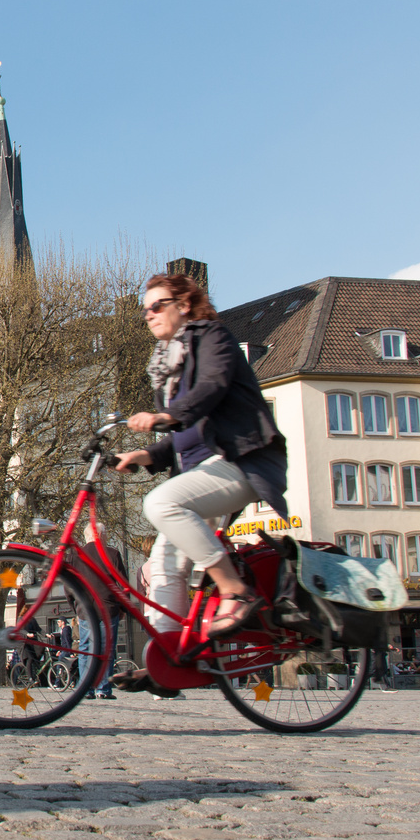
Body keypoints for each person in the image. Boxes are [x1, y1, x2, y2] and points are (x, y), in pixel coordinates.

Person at [112, 273, 288, 696]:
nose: (149, 314)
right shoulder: (169, 363)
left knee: (160, 506)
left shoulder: (212, 338)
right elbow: (189, 431)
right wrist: (150, 454)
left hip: (240, 462)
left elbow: (212, 389)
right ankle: (168, 659)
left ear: (184, 304)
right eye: (145, 309)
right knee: (163, 566)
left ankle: (234, 590)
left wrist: (162, 417)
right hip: (201, 471)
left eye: (158, 305)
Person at [80, 525, 124, 700]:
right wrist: (122, 608)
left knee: (85, 649)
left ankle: (85, 688)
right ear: (101, 535)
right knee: (106, 650)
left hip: (84, 609)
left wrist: (75, 605)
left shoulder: (75, 555)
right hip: (108, 608)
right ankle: (103, 689)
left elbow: (69, 587)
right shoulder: (112, 554)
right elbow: (122, 584)